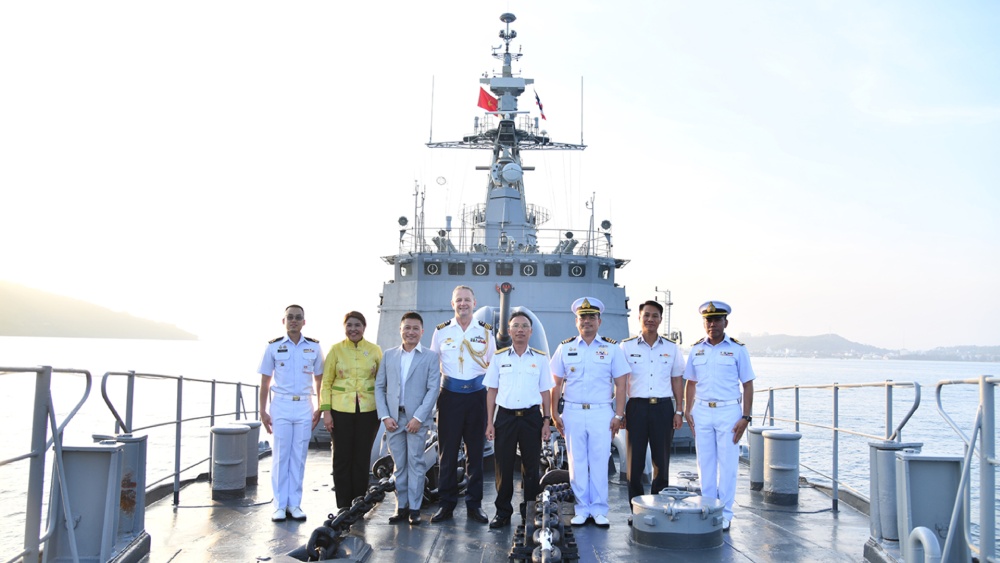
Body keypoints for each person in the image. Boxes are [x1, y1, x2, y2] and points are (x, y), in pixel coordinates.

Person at [549, 297, 630, 528]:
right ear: (576, 321)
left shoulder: (611, 348)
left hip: (601, 412)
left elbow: (621, 384)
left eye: (591, 317)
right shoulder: (565, 348)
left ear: (599, 321)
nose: (587, 321)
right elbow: (556, 383)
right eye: (582, 317)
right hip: (573, 411)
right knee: (576, 462)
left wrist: (618, 415)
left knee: (600, 460)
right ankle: (582, 508)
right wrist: (554, 413)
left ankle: (599, 509)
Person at [683, 301, 755, 532]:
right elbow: (691, 382)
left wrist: (746, 417)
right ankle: (708, 508)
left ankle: (724, 513)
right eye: (708, 320)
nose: (712, 324)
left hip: (728, 411)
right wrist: (687, 410)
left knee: (728, 464)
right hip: (702, 411)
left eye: (716, 320)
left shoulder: (738, 349)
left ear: (726, 322)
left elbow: (748, 384)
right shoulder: (696, 349)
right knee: (704, 463)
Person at [429, 285, 497, 524]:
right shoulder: (441, 332)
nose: (463, 304)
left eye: (467, 300)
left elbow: (493, 368)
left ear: (474, 303)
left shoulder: (486, 332)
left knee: (475, 454)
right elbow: (432, 366)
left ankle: (474, 504)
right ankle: (446, 504)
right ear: (452, 304)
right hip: (450, 397)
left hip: (477, 397)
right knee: (447, 454)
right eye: (459, 300)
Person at [484, 311, 553, 528]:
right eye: (516, 326)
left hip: (531, 418)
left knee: (531, 468)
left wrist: (546, 421)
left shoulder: (540, 359)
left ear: (531, 331)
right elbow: (492, 391)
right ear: (509, 330)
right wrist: (489, 422)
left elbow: (545, 392)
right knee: (503, 466)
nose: (520, 330)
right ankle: (503, 512)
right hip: (505, 417)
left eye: (524, 326)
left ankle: (529, 511)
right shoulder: (499, 358)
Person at [258, 304, 325, 522]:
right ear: (284, 321)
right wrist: (262, 411)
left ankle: (294, 504)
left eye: (298, 317)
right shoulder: (273, 347)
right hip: (281, 405)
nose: (294, 320)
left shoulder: (314, 347)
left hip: (304, 405)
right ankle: (279, 505)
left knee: (299, 456)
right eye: (290, 317)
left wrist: (320, 407)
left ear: (304, 322)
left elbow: (319, 380)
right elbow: (265, 381)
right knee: (281, 456)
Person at [619, 300, 684, 525]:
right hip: (636, 407)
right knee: (634, 464)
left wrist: (679, 410)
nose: (650, 319)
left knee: (661, 463)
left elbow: (677, 380)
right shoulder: (626, 347)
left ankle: (658, 508)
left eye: (655, 316)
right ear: (639, 318)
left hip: (663, 408)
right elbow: (620, 382)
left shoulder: (671, 348)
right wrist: (620, 412)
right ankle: (636, 510)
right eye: (646, 315)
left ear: (660, 319)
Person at [374, 312, 441, 526]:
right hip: (394, 420)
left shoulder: (430, 357)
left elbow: (433, 389)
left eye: (415, 328)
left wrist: (419, 417)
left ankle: (414, 508)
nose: (411, 332)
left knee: (416, 463)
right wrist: (385, 416)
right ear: (400, 330)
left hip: (416, 421)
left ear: (422, 331)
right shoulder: (389, 355)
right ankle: (401, 506)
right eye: (407, 328)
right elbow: (379, 387)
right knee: (399, 465)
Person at [319, 311, 383, 510]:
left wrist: (384, 411)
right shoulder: (336, 350)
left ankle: (358, 501)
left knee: (362, 456)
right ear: (344, 327)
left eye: (357, 325)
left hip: (368, 410)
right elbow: (326, 383)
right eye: (349, 325)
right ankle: (343, 505)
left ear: (364, 327)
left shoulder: (374, 350)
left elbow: (381, 382)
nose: (353, 329)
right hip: (340, 410)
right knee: (342, 457)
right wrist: (326, 412)